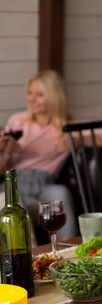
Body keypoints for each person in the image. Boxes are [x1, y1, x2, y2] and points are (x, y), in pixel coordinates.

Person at [0, 70, 78, 240]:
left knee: (59, 193)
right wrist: (6, 151)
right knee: (11, 202)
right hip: (17, 184)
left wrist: (81, 141)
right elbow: (3, 167)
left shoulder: (66, 128)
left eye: (39, 95)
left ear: (53, 97)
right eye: (30, 93)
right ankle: (30, 259)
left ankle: (69, 250)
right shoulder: (18, 121)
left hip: (44, 186)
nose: (31, 99)